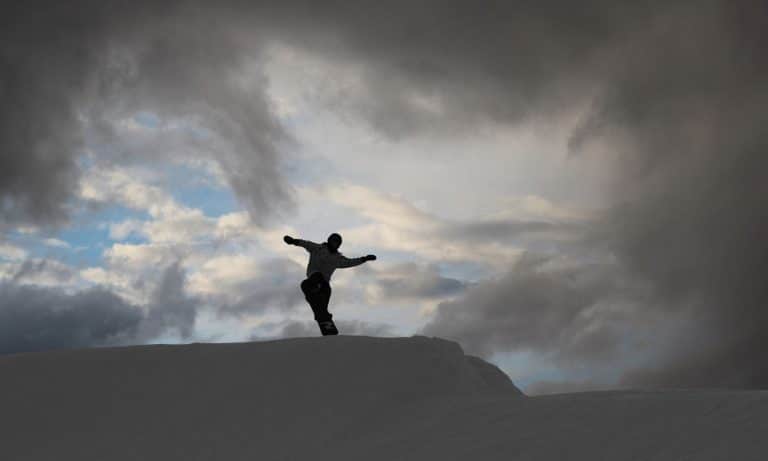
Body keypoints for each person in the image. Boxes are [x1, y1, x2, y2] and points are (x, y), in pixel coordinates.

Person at [283, 233, 376, 335]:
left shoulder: (338, 259)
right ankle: (314, 293)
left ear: (339, 245)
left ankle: (325, 321)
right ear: (329, 241)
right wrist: (293, 241)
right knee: (309, 281)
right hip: (314, 279)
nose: (334, 244)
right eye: (333, 241)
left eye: (337, 242)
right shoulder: (317, 248)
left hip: (325, 287)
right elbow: (305, 244)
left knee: (322, 309)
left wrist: (364, 259)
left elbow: (350, 262)